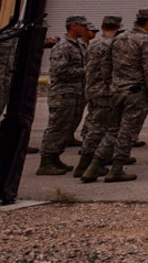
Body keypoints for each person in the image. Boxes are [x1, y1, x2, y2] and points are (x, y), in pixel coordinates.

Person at [94, 8, 148, 182]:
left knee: (113, 130)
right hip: (135, 92)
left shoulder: (119, 37)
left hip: (117, 90)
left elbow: (105, 64)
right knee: (128, 131)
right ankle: (116, 169)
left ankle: (93, 166)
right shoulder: (147, 41)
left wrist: (112, 83)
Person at [35, 16, 91, 175]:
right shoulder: (62, 46)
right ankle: (46, 161)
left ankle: (55, 158)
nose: (85, 28)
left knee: (67, 126)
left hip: (75, 93)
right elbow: (59, 71)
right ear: (73, 26)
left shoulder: (79, 45)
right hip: (62, 93)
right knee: (57, 127)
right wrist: (84, 71)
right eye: (82, 26)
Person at [75, 16, 122, 178]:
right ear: (119, 27)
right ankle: (85, 164)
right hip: (105, 91)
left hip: (92, 88)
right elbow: (108, 70)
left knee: (95, 125)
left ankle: (88, 161)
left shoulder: (94, 43)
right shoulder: (111, 44)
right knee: (100, 128)